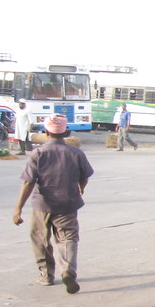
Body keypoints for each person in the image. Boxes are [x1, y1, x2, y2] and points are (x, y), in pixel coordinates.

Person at [12, 114, 94, 294]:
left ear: (46, 132)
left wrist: (18, 208)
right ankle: (68, 271)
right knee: (68, 238)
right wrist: (81, 188)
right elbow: (85, 176)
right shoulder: (76, 153)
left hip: (42, 204)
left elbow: (28, 182)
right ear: (65, 132)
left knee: (41, 238)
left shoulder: (38, 153)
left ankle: (46, 275)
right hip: (68, 203)